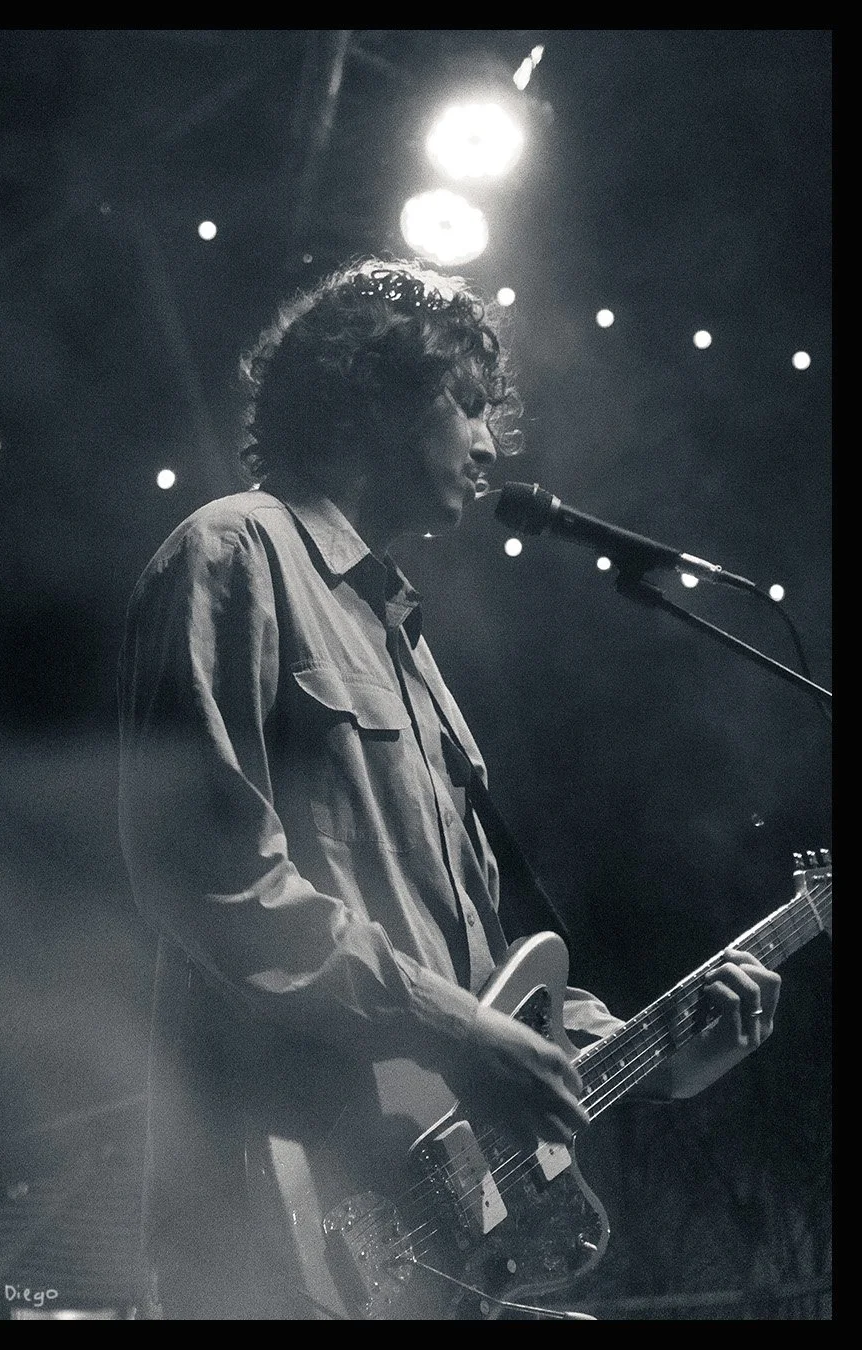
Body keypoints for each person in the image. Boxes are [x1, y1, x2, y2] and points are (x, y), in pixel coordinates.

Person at [116, 257, 781, 1320]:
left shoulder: (408, 650)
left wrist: (660, 1058)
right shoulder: (236, 550)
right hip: (281, 1210)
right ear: (376, 395)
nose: (490, 445)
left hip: (427, 1236)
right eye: (467, 405)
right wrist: (456, 1031)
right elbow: (209, 878)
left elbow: (477, 969)